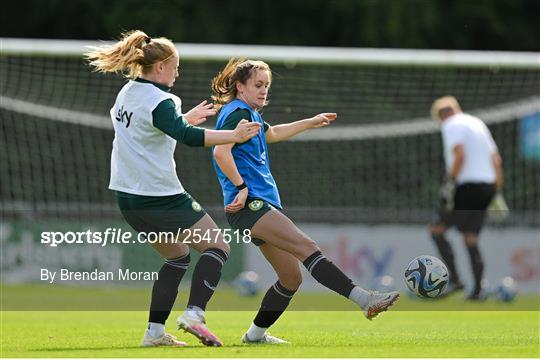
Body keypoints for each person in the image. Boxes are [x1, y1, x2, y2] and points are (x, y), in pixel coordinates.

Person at [86, 31, 261, 347]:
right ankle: (194, 314)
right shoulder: (163, 100)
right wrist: (234, 135)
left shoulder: (126, 93)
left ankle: (154, 333)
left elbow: (150, 130)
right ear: (162, 66)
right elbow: (190, 138)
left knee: (178, 257)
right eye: (176, 67)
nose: (178, 73)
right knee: (218, 247)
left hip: (127, 198)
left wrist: (182, 120)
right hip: (159, 196)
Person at [210, 58, 400, 344]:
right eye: (258, 85)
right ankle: (364, 300)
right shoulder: (237, 112)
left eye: (267, 86)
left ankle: (255, 336)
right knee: (307, 247)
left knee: (291, 279)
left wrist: (309, 123)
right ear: (240, 86)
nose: (264, 91)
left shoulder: (251, 113)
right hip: (251, 205)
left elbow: (271, 134)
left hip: (258, 205)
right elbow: (220, 153)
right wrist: (240, 187)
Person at [429, 96, 503, 300]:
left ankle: (456, 280)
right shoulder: (477, 123)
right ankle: (477, 291)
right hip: (487, 186)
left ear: (441, 115)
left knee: (436, 230)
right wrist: (496, 189)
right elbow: (496, 159)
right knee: (471, 238)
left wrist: (450, 182)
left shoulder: (451, 124)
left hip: (466, 186)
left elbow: (460, 155)